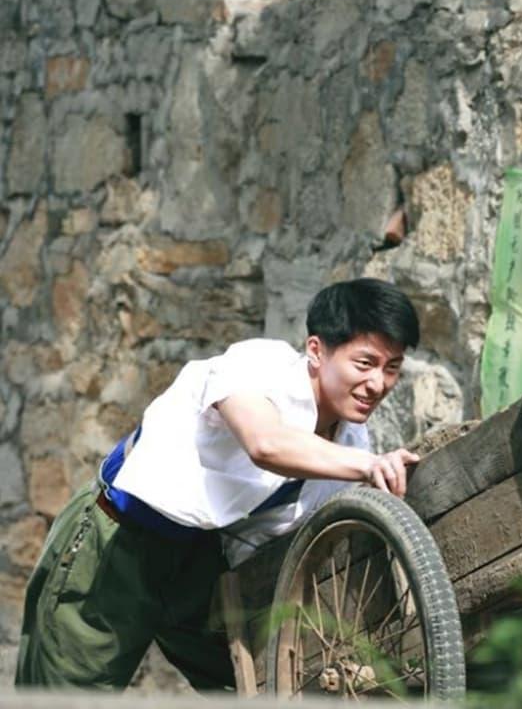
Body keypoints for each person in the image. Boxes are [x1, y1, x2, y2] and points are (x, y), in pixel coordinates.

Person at [16, 277, 422, 691]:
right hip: (120, 540)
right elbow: (265, 443)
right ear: (317, 351)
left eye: (392, 369)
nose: (378, 384)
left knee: (258, 683)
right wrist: (367, 466)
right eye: (365, 363)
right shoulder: (260, 365)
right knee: (69, 692)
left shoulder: (353, 441)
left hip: (203, 565)